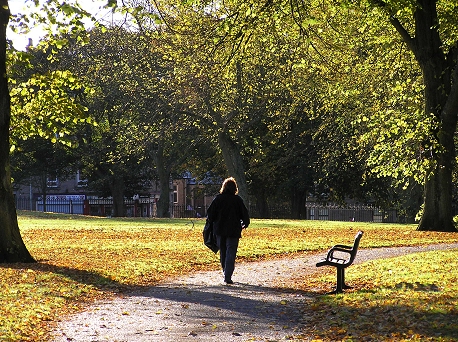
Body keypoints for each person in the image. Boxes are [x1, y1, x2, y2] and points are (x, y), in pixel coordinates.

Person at [207, 177, 250, 284]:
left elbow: (210, 215)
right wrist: (245, 224)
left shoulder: (218, 199)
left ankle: (225, 271)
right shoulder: (237, 200)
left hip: (220, 230)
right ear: (235, 188)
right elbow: (245, 215)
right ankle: (228, 274)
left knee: (223, 252)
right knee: (231, 252)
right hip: (233, 230)